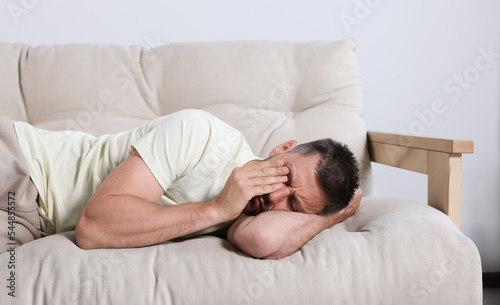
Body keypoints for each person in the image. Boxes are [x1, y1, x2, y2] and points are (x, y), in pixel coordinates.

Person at [0, 109, 362, 259]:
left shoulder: (251, 214)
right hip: (22, 163)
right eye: (286, 176)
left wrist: (333, 215)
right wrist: (216, 208)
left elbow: (262, 239)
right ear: (281, 149)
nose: (275, 195)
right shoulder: (200, 132)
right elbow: (95, 227)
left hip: (29, 222)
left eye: (294, 206)